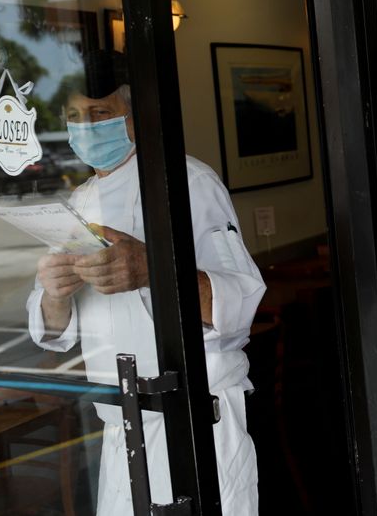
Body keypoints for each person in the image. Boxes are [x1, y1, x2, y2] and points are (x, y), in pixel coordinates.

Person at [26, 51, 265, 516]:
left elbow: (239, 306)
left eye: (101, 114)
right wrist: (55, 292)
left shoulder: (187, 183)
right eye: (75, 116)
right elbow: (54, 332)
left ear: (134, 117)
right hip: (118, 431)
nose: (86, 127)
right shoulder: (78, 201)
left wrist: (152, 269)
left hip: (195, 424)